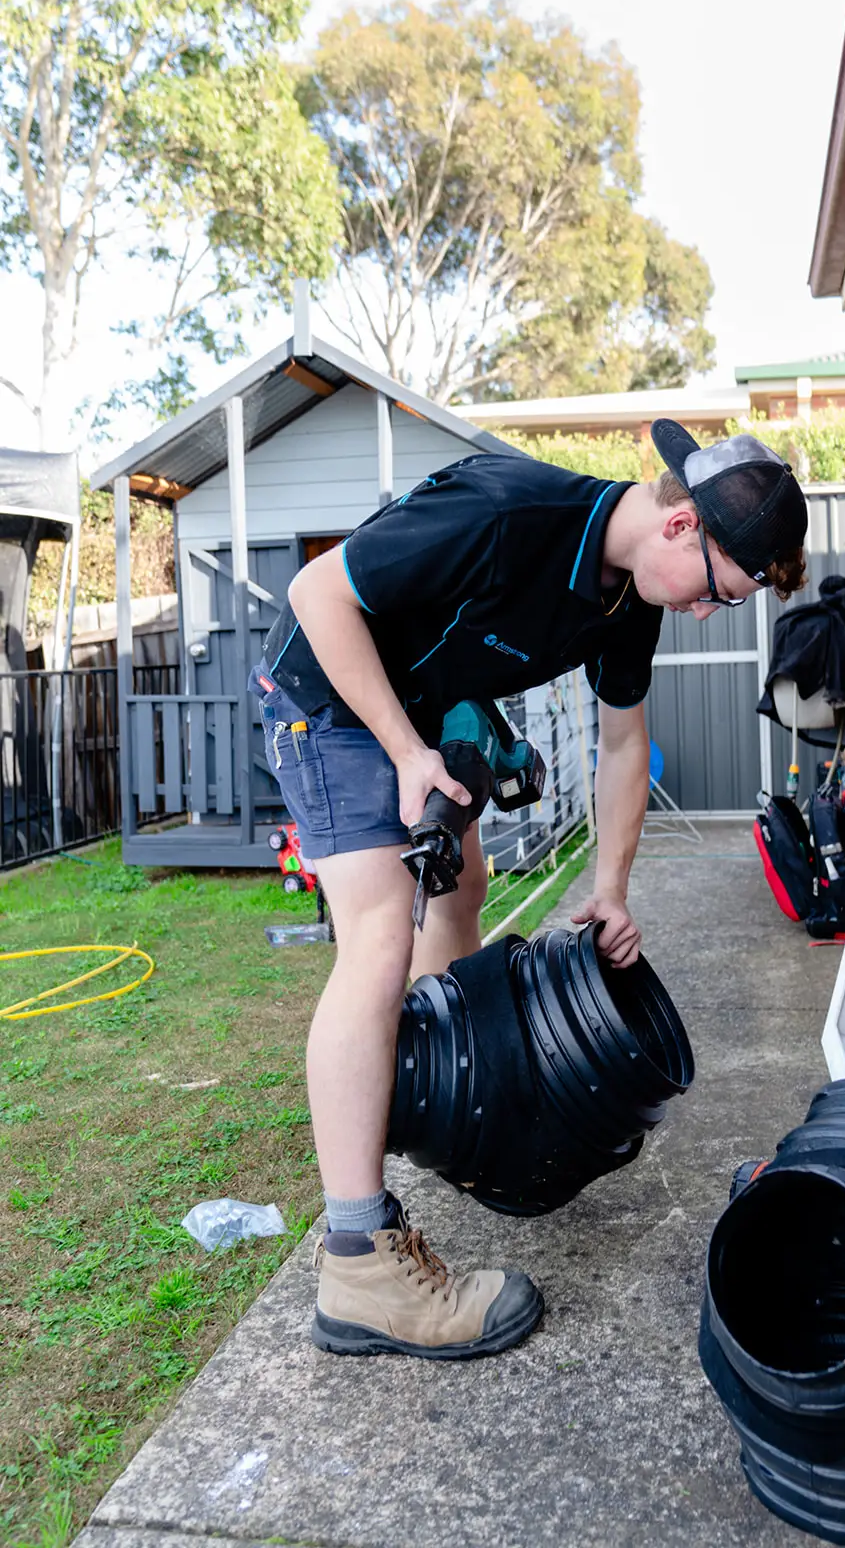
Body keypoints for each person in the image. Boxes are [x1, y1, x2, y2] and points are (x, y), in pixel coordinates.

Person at [250, 419, 807, 1362]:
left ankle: (456, 1102)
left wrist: (611, 888)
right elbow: (316, 594)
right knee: (383, 931)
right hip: (331, 703)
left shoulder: (629, 598)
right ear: (681, 529)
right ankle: (355, 1259)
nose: (709, 613)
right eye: (722, 593)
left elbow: (624, 744)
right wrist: (406, 754)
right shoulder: (508, 510)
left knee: (460, 892)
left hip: (422, 709)